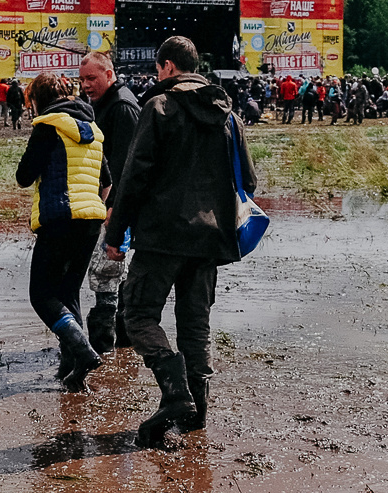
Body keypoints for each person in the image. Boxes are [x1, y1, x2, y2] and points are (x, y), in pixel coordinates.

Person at [102, 35, 256, 448]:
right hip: (211, 238)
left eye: (158, 69)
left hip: (162, 236)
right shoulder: (228, 116)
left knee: (137, 315)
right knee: (195, 325)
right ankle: (196, 414)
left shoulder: (159, 106)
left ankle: (175, 393)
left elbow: (134, 176)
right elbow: (249, 181)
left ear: (167, 67)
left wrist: (115, 235)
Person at [15, 73, 108, 391]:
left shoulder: (47, 126)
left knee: (42, 296)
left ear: (37, 100)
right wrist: (93, 208)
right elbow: (107, 180)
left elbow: (24, 176)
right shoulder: (93, 129)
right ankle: (72, 370)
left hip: (59, 218)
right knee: (68, 293)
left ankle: (82, 351)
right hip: (91, 220)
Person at [79, 50, 143, 351]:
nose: (85, 85)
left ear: (109, 74)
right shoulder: (105, 103)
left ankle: (106, 346)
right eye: (82, 79)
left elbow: (127, 164)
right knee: (114, 271)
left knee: (108, 270)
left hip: (118, 203)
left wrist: (114, 207)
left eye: (91, 78)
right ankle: (121, 344)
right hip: (110, 199)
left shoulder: (122, 106)